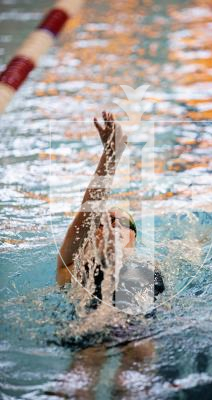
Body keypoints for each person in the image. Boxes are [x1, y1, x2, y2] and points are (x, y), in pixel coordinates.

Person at [57, 111, 164, 311]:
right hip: (88, 334)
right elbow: (90, 209)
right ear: (88, 236)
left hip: (139, 331)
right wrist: (110, 156)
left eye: (121, 222)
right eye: (101, 222)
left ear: (134, 238)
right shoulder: (70, 269)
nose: (110, 225)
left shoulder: (150, 270)